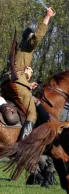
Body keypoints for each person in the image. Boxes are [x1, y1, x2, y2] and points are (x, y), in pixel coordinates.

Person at [0, 8, 55, 140]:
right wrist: (48, 16)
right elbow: (38, 36)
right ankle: (23, 143)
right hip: (16, 82)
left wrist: (28, 84)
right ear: (29, 38)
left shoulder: (19, 50)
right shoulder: (27, 46)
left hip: (6, 84)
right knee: (32, 113)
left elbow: (18, 70)